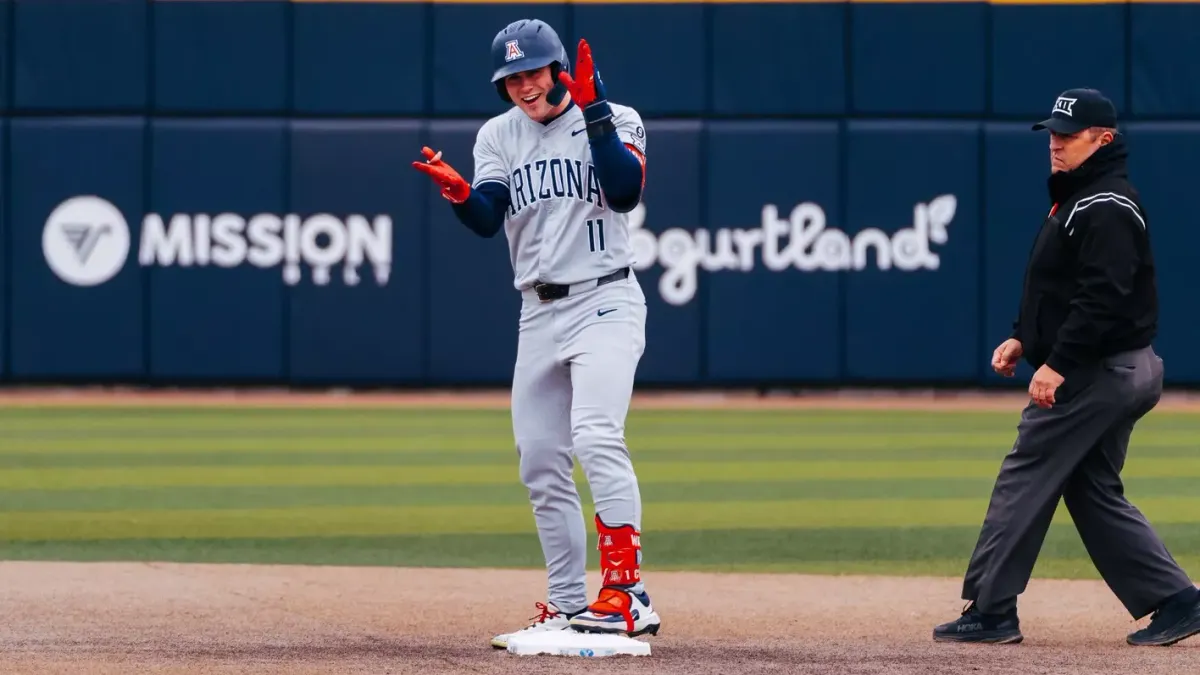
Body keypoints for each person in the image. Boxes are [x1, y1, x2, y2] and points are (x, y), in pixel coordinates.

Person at [411, 19, 660, 649]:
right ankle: (569, 599)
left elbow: (625, 191)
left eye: (534, 72)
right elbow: (488, 218)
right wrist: (462, 195)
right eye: (512, 77)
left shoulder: (618, 118)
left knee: (596, 434)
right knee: (540, 459)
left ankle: (626, 591)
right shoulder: (498, 134)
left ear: (557, 70)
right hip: (538, 312)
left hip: (605, 297)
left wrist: (595, 109)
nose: (524, 85)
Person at [933, 88, 1200, 646]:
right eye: (1052, 133)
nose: (1055, 143)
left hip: (1099, 372)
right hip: (1117, 367)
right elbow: (1057, 287)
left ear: (1104, 139)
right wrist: (1020, 338)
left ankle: (991, 609)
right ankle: (1178, 601)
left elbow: (1104, 298)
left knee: (1025, 472)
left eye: (1068, 134)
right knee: (1091, 488)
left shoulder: (1105, 205)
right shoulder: (1083, 198)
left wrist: (1055, 363)